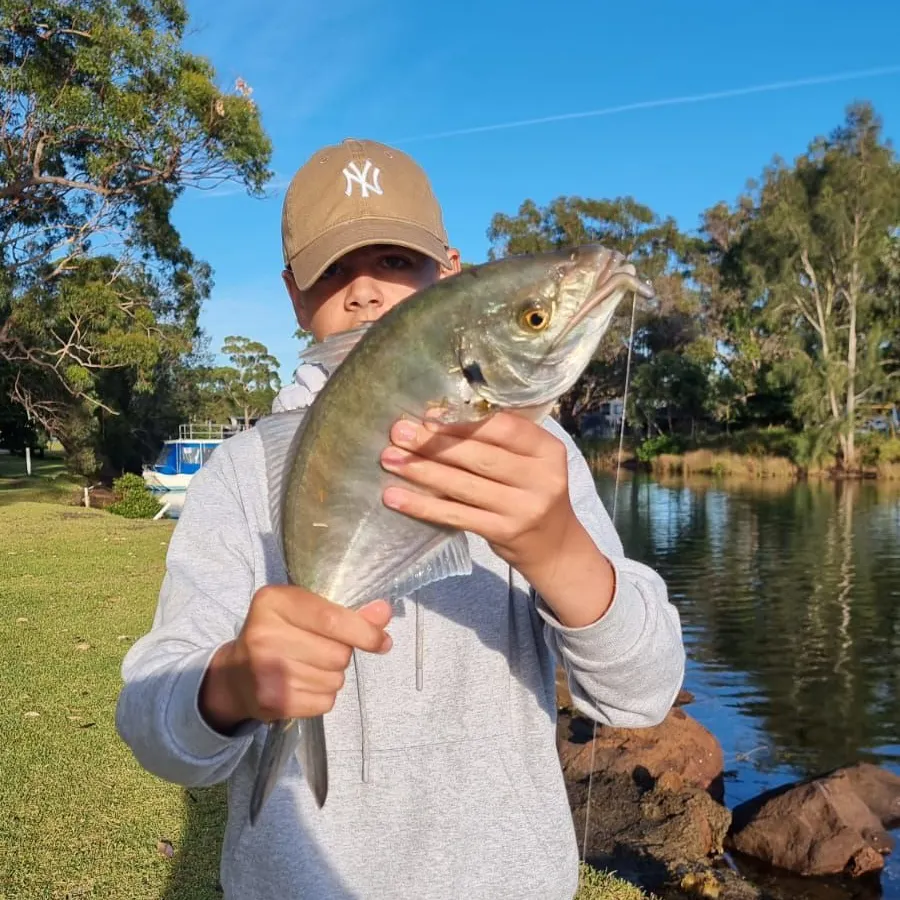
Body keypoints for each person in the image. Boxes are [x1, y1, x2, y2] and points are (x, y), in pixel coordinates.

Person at [116, 138, 685, 900]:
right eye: (333, 271)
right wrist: (232, 685)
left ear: (448, 272)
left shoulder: (539, 459)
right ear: (293, 294)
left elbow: (643, 694)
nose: (364, 292)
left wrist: (557, 548)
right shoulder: (245, 472)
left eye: (396, 261)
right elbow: (153, 717)